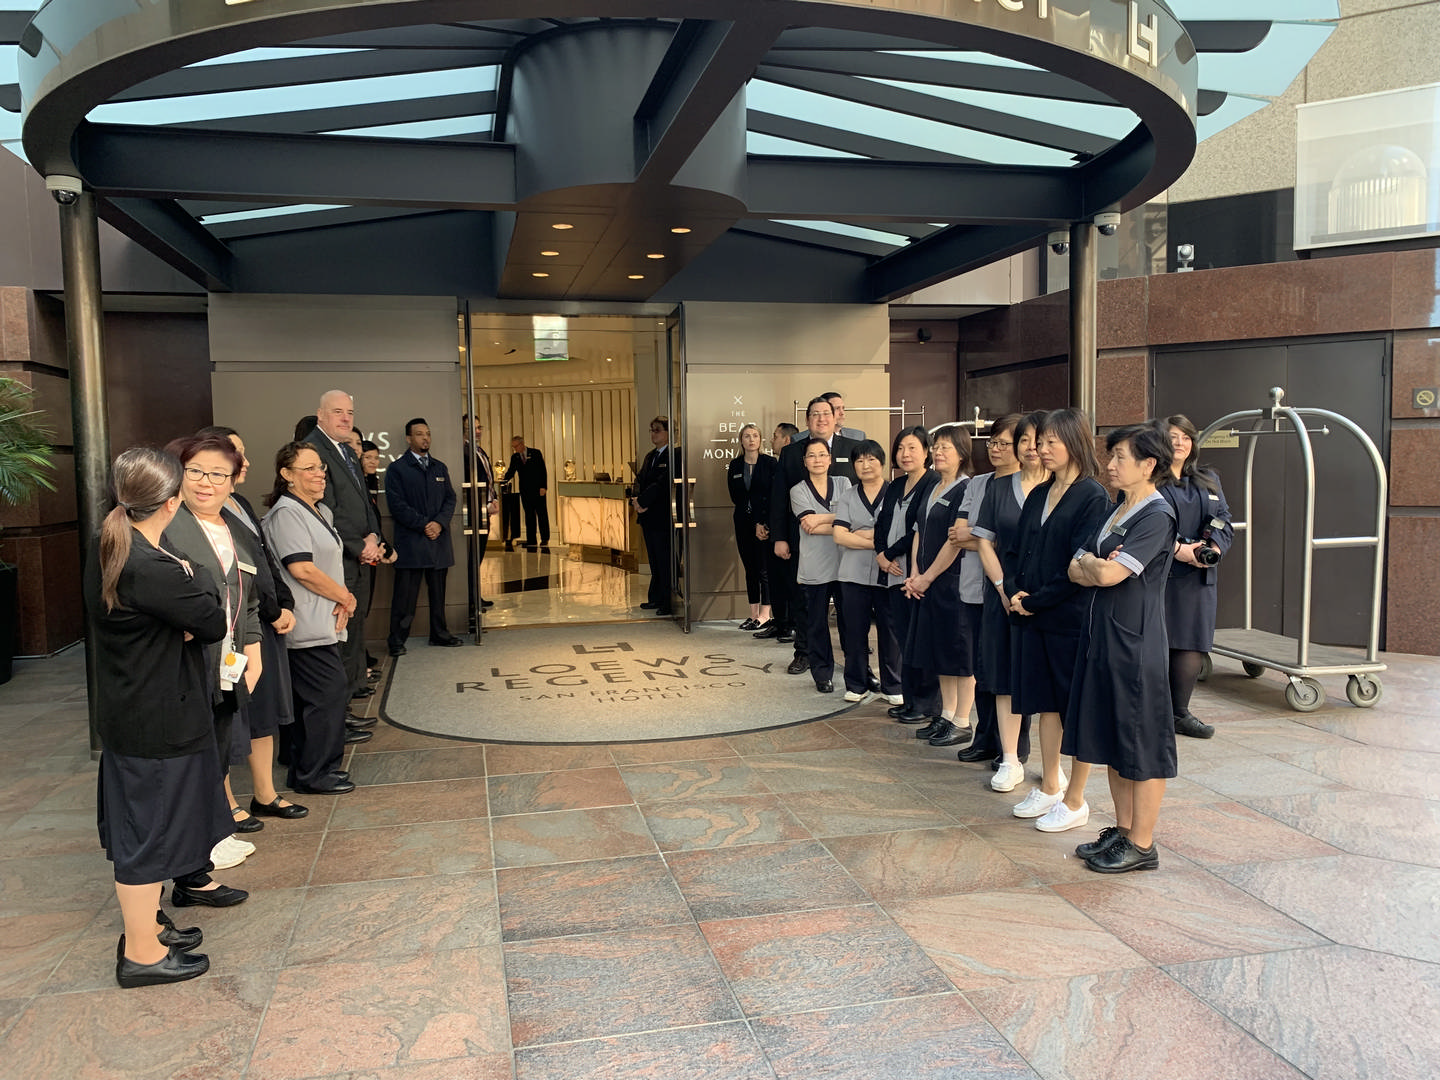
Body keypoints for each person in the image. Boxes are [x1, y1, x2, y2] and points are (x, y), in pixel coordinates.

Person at [86, 447, 238, 988]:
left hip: (136, 710)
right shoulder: (149, 565)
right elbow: (211, 616)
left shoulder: (114, 543)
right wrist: (192, 600)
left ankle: (148, 929)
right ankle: (142, 955)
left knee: (144, 828)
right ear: (172, 502)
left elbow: (197, 613)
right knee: (147, 838)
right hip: (157, 719)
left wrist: (188, 609)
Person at [1066, 423, 1178, 872]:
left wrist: (1094, 566)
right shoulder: (1116, 509)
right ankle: (1124, 830)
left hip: (1136, 644)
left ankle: (1143, 843)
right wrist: (1094, 564)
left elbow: (1111, 575)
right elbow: (1074, 565)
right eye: (1110, 456)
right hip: (1104, 639)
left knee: (1142, 744)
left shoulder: (1156, 515)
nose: (1110, 465)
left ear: (1148, 465)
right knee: (1115, 738)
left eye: (1120, 458)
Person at [194, 426, 311, 828]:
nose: (242, 461)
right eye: (233, 453)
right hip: (233, 627)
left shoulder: (239, 502)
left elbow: (263, 559)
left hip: (261, 623)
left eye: (241, 454)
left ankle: (265, 794)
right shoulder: (204, 510)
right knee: (231, 716)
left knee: (262, 714)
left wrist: (283, 603)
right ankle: (226, 802)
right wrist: (272, 610)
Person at [161, 433, 264, 873]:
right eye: (197, 471)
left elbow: (249, 597)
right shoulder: (166, 525)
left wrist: (254, 649)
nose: (207, 482)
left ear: (233, 481)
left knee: (218, 747)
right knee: (191, 756)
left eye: (219, 474)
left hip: (230, 659)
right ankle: (197, 846)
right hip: (182, 663)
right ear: (179, 474)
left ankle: (215, 832)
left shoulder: (234, 527)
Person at [1007, 408, 1110, 831]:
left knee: (1074, 709)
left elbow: (1078, 566)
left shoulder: (1093, 497)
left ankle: (1075, 799)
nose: (1042, 449)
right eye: (1040, 442)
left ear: (1075, 442)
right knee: (1045, 704)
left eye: (1051, 442)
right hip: (1032, 613)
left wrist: (1036, 600)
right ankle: (1050, 784)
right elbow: (1018, 549)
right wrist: (1014, 590)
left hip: (1068, 618)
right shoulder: (1039, 493)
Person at [263, 441, 358, 796]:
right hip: (304, 624)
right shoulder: (287, 514)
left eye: (321, 467)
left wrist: (340, 600)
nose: (320, 474)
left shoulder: (320, 511)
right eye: (309, 468)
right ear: (287, 475)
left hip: (321, 621)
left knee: (317, 698)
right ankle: (314, 773)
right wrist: (345, 597)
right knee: (327, 696)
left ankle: (310, 768)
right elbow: (301, 569)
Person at [969, 413, 1044, 787]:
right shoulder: (998, 488)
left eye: (1037, 441)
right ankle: (1009, 758)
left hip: (1047, 598)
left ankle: (1051, 765)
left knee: (1044, 678)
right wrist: (1001, 588)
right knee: (1001, 674)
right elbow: (983, 541)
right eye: (1024, 440)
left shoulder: (1068, 489)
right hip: (1002, 594)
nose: (1031, 448)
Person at [303, 391, 381, 741]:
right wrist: (360, 545)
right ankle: (337, 719)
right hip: (338, 561)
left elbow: (364, 503)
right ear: (320, 414)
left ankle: (345, 711)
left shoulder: (347, 451)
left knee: (352, 637)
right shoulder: (313, 450)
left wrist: (374, 536)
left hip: (358, 556)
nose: (346, 418)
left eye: (350, 412)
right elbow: (327, 508)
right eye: (337, 412)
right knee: (338, 639)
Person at [770, 397, 858, 675]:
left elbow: (859, 497)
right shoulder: (791, 452)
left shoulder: (852, 448)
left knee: (848, 606)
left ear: (836, 416)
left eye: (826, 413)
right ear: (807, 420)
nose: (821, 419)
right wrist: (779, 537)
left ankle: (855, 660)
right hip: (804, 543)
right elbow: (779, 497)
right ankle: (804, 652)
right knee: (804, 603)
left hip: (848, 546)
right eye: (815, 414)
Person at [1161, 414, 1234, 739]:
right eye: (1173, 437)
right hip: (1163, 573)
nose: (1180, 443)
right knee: (1161, 643)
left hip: (1199, 575)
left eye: (1186, 437)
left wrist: (1214, 547)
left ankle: (1180, 713)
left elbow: (1224, 519)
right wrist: (1177, 549)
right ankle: (1155, 712)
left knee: (1192, 642)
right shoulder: (1150, 479)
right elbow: (1139, 521)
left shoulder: (1208, 478)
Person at [902, 425, 974, 747]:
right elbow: (919, 530)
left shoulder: (966, 489)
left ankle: (962, 720)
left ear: (962, 453)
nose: (938, 452)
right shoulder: (933, 486)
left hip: (952, 583)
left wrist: (927, 577)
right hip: (927, 582)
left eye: (946, 447)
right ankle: (946, 714)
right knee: (940, 652)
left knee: (960, 654)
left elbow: (954, 542)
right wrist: (915, 572)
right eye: (936, 446)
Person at [875, 426, 940, 720]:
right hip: (892, 573)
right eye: (901, 448)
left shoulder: (932, 483)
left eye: (912, 448)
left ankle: (927, 704)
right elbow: (881, 524)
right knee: (903, 639)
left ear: (926, 451)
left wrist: (889, 553)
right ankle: (910, 699)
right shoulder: (895, 485)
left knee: (920, 639)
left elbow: (919, 528)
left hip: (916, 573)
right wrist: (881, 553)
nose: (905, 454)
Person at [386, 418, 463, 654]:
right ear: (409, 438)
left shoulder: (439, 467)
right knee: (405, 598)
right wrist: (424, 525)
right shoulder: (397, 469)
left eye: (428, 433)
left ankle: (439, 634)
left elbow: (450, 498)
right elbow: (397, 505)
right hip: (412, 544)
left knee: (438, 595)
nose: (425, 438)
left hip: (438, 543)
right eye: (419, 434)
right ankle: (396, 641)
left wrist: (439, 523)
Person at [833, 439, 900, 702]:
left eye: (871, 459)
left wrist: (860, 534)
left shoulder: (896, 492)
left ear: (881, 462)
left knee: (890, 632)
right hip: (853, 574)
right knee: (854, 631)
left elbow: (900, 534)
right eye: (859, 460)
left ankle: (893, 686)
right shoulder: (848, 496)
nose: (865, 465)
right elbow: (840, 535)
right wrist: (878, 541)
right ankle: (856, 684)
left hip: (889, 573)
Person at [790, 437, 850, 693]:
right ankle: (822, 673)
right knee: (817, 624)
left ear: (830, 459)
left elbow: (853, 518)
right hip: (815, 566)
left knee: (851, 623)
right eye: (811, 456)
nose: (817, 460)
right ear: (804, 461)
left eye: (822, 454)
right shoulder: (798, 490)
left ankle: (859, 671)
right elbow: (808, 525)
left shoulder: (843, 483)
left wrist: (822, 519)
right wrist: (841, 521)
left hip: (846, 565)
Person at [727, 423, 775, 630]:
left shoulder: (769, 463)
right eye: (747, 436)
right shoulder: (735, 465)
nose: (751, 439)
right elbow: (734, 495)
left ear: (760, 439)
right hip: (742, 522)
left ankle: (765, 614)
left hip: (764, 524)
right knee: (750, 569)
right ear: (741, 441)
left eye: (755, 435)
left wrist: (761, 522)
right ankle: (753, 614)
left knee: (764, 568)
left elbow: (772, 495)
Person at [754, 422, 799, 641]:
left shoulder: (795, 467)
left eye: (775, 436)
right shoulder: (772, 464)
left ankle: (792, 625)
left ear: (787, 440)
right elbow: (768, 499)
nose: (771, 440)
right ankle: (779, 622)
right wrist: (761, 523)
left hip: (788, 534)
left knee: (789, 580)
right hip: (771, 530)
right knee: (774, 579)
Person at [632, 416, 677, 616]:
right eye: (651, 430)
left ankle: (667, 601)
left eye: (657, 430)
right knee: (654, 559)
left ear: (669, 433)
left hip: (662, 515)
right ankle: (656, 598)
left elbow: (662, 484)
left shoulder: (673, 455)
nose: (653, 434)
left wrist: (643, 501)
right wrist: (635, 499)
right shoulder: (650, 456)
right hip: (647, 516)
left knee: (664, 559)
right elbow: (640, 479)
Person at [462, 415, 498, 611]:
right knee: (472, 557)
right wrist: (486, 503)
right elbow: (470, 486)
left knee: (479, 556)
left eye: (479, 427)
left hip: (484, 509)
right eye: (472, 428)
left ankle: (475, 595)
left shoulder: (479, 451)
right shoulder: (463, 451)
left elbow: (488, 479)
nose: (477, 431)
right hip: (474, 511)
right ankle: (470, 599)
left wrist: (494, 499)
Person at [502, 434, 549, 550]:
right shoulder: (515, 457)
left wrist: (543, 487)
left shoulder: (535, 453)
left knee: (542, 514)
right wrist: (502, 481)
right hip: (525, 491)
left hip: (538, 490)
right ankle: (531, 540)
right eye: (513, 447)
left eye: (516, 446)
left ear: (522, 444)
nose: (515, 449)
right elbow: (511, 472)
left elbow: (542, 471)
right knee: (529, 516)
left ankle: (544, 539)